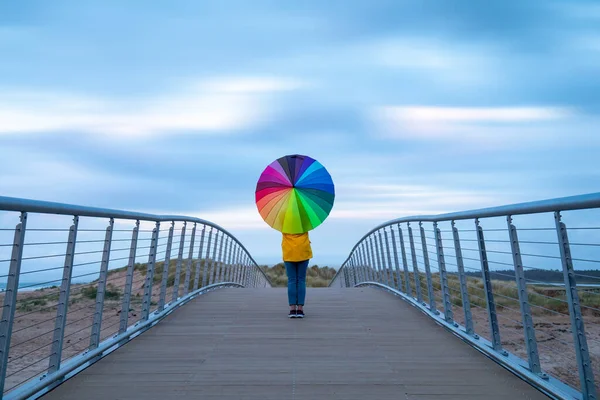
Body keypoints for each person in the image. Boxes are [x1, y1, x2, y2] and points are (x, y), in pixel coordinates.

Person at [282, 232, 312, 318]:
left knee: (292, 280)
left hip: (289, 253)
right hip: (303, 252)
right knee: (301, 280)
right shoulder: (305, 220)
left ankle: (292, 309)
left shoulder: (284, 222)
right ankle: (300, 309)